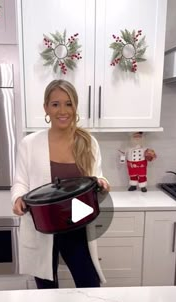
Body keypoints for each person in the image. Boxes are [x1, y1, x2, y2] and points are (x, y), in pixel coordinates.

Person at [11, 79, 110, 289]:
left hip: (77, 222)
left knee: (89, 284)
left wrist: (102, 183)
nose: (62, 110)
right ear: (46, 107)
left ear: (75, 106)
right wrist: (18, 198)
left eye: (68, 103)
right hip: (43, 224)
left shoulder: (88, 142)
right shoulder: (29, 144)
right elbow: (20, 182)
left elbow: (96, 177)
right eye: (55, 104)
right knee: (46, 288)